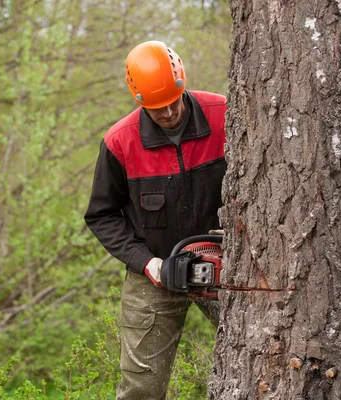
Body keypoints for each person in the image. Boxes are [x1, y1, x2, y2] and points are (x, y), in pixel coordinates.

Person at [84, 40, 227, 399]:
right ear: (139, 100)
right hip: (155, 273)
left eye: (172, 101)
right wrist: (148, 264)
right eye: (156, 107)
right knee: (140, 388)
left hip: (225, 263)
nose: (167, 113)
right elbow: (101, 215)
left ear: (182, 82)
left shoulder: (223, 114)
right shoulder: (120, 143)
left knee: (266, 349)